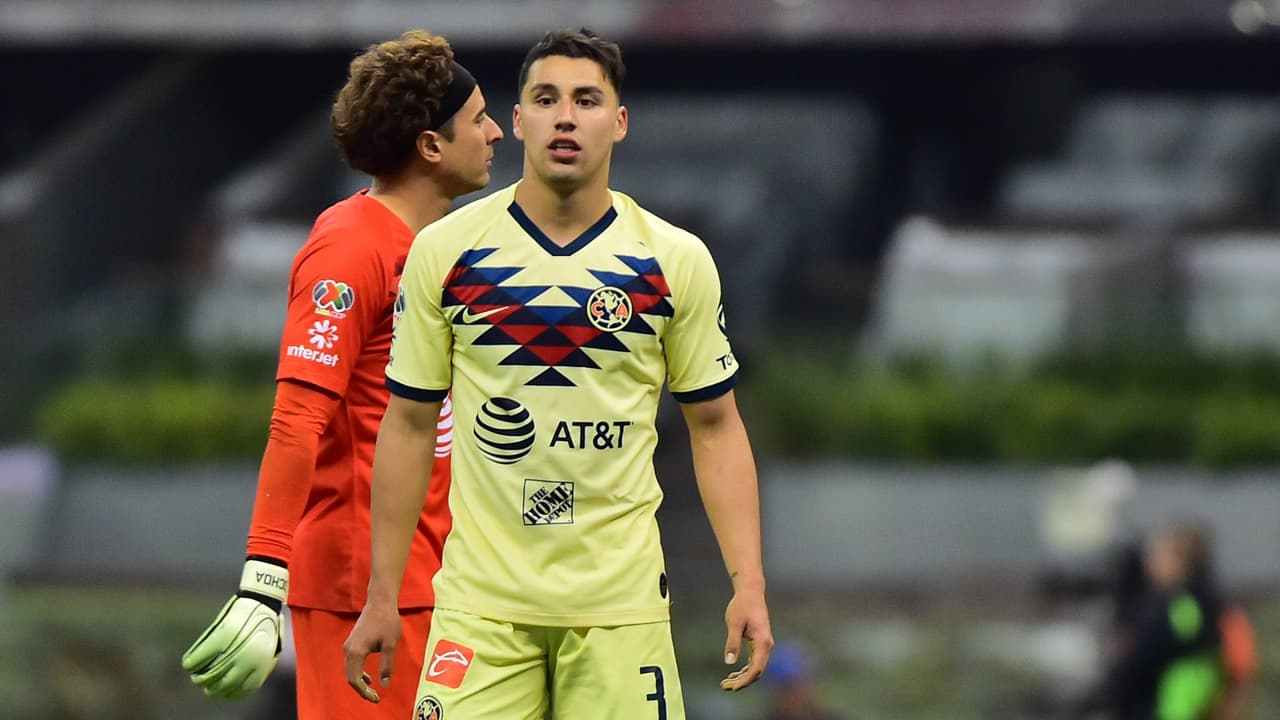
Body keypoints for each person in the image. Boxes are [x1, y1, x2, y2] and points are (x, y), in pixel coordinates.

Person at [343, 27, 773, 719]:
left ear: (619, 122)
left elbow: (716, 427)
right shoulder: (445, 252)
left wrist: (748, 581)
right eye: (546, 100)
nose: (565, 117)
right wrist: (382, 595)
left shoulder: (675, 259)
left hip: (620, 612)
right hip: (480, 611)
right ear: (518, 120)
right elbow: (411, 424)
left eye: (586, 100)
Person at [180, 30, 504, 720]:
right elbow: (298, 418)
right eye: (479, 118)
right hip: (363, 589)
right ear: (431, 146)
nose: (496, 132)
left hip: (439, 577)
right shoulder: (350, 246)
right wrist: (263, 579)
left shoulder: (440, 251)